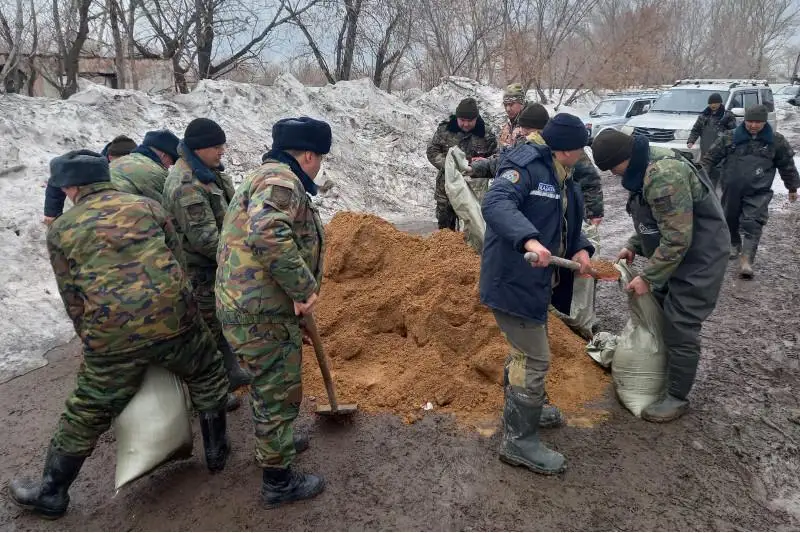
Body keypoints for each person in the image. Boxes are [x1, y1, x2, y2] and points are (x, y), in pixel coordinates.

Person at [9, 150, 230, 519]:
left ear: (70, 187)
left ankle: (51, 493)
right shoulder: (149, 208)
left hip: (113, 334)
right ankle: (217, 453)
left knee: (89, 407)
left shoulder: (62, 229)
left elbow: (72, 295)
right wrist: (183, 313)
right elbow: (177, 264)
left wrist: (95, 341)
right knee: (207, 372)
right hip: (175, 320)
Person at [216, 117, 329, 508]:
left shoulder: (262, 176)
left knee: (269, 386)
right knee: (277, 390)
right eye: (320, 159)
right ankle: (278, 482)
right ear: (309, 155)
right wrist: (302, 288)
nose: (319, 167)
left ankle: (276, 443)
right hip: (260, 311)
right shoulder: (282, 181)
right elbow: (268, 233)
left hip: (250, 304)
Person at [480, 113, 595, 475]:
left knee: (525, 352)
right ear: (566, 150)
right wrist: (529, 239)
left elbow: (563, 219)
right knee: (533, 358)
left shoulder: (561, 173)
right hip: (512, 279)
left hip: (537, 283)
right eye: (580, 150)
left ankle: (525, 409)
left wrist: (580, 248)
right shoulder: (525, 165)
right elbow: (496, 204)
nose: (583, 155)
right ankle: (519, 441)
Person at [592, 128, 729, 422]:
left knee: (680, 324)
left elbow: (677, 238)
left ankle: (677, 397)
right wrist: (634, 244)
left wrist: (648, 277)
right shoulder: (642, 168)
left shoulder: (664, 174)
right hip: (676, 255)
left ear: (624, 157)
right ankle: (661, 372)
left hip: (699, 258)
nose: (613, 174)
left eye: (613, 167)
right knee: (663, 311)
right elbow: (658, 219)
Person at [162, 118, 251, 411]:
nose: (222, 151)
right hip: (200, 270)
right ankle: (213, 395)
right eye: (216, 146)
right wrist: (243, 262)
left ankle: (231, 371)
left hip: (217, 264)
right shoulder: (187, 185)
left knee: (220, 323)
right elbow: (205, 239)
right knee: (207, 332)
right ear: (199, 147)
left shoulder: (208, 173)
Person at [700, 104, 798, 278]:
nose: (753, 125)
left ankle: (746, 260)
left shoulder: (775, 141)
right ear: (744, 120)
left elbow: (787, 165)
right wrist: (701, 179)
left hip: (759, 191)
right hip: (731, 189)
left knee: (753, 222)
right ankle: (734, 244)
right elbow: (710, 159)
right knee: (729, 218)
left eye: (758, 122)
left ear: (764, 122)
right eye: (750, 121)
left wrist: (792, 187)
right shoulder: (730, 137)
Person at [470, 104, 604, 224]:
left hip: (564, 211)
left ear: (543, 130)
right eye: (522, 129)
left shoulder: (566, 148)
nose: (524, 134)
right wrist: (473, 168)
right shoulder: (524, 144)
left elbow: (589, 178)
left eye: (528, 130)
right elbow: (501, 162)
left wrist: (594, 213)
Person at [426, 97, 498, 230]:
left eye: (470, 121)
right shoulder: (445, 129)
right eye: (462, 120)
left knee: (473, 231)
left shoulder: (486, 134)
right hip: (447, 189)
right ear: (457, 117)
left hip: (474, 191)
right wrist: (449, 165)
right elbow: (432, 151)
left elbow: (496, 158)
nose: (465, 124)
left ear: (476, 118)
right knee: (445, 231)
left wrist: (481, 164)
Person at [43, 135, 139, 225]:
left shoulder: (140, 167)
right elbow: (58, 179)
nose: (126, 164)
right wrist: (52, 213)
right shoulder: (92, 166)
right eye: (123, 160)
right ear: (110, 157)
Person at [110, 129, 181, 204]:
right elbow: (168, 205)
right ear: (164, 156)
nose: (169, 166)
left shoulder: (120, 160)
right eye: (172, 161)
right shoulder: (156, 173)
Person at [686, 93, 736, 187]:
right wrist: (691, 141)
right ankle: (706, 188)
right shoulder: (703, 116)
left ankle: (716, 188)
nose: (713, 105)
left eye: (716, 103)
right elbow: (696, 130)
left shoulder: (727, 116)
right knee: (704, 171)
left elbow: (733, 132)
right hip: (706, 148)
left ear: (720, 103)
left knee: (717, 171)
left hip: (720, 150)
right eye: (711, 103)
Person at [499, 83, 526, 147]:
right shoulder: (506, 124)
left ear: (522, 103)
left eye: (511, 104)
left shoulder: (530, 126)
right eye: (505, 105)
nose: (507, 109)